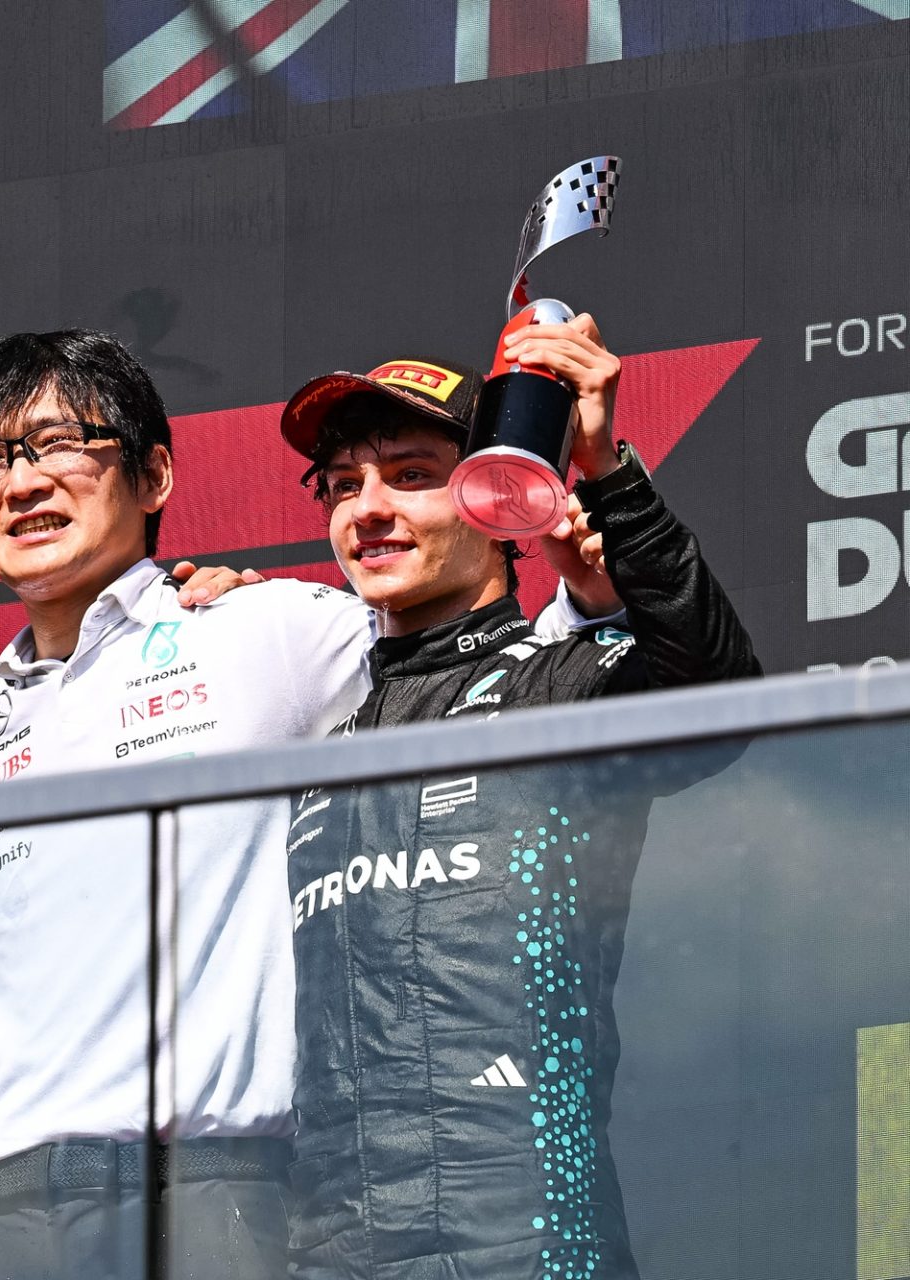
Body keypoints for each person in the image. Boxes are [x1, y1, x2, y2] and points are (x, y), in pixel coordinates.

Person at [0, 330, 611, 1280]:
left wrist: (582, 521)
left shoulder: (268, 631)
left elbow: (502, 661)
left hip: (216, 1200)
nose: (23, 481)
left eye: (61, 445)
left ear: (155, 476)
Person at [277, 317, 760, 1279]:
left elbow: (719, 694)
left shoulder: (562, 686)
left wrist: (604, 466)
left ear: (498, 495)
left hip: (527, 1234)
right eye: (341, 488)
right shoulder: (319, 746)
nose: (366, 510)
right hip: (330, 1250)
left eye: (410, 475)